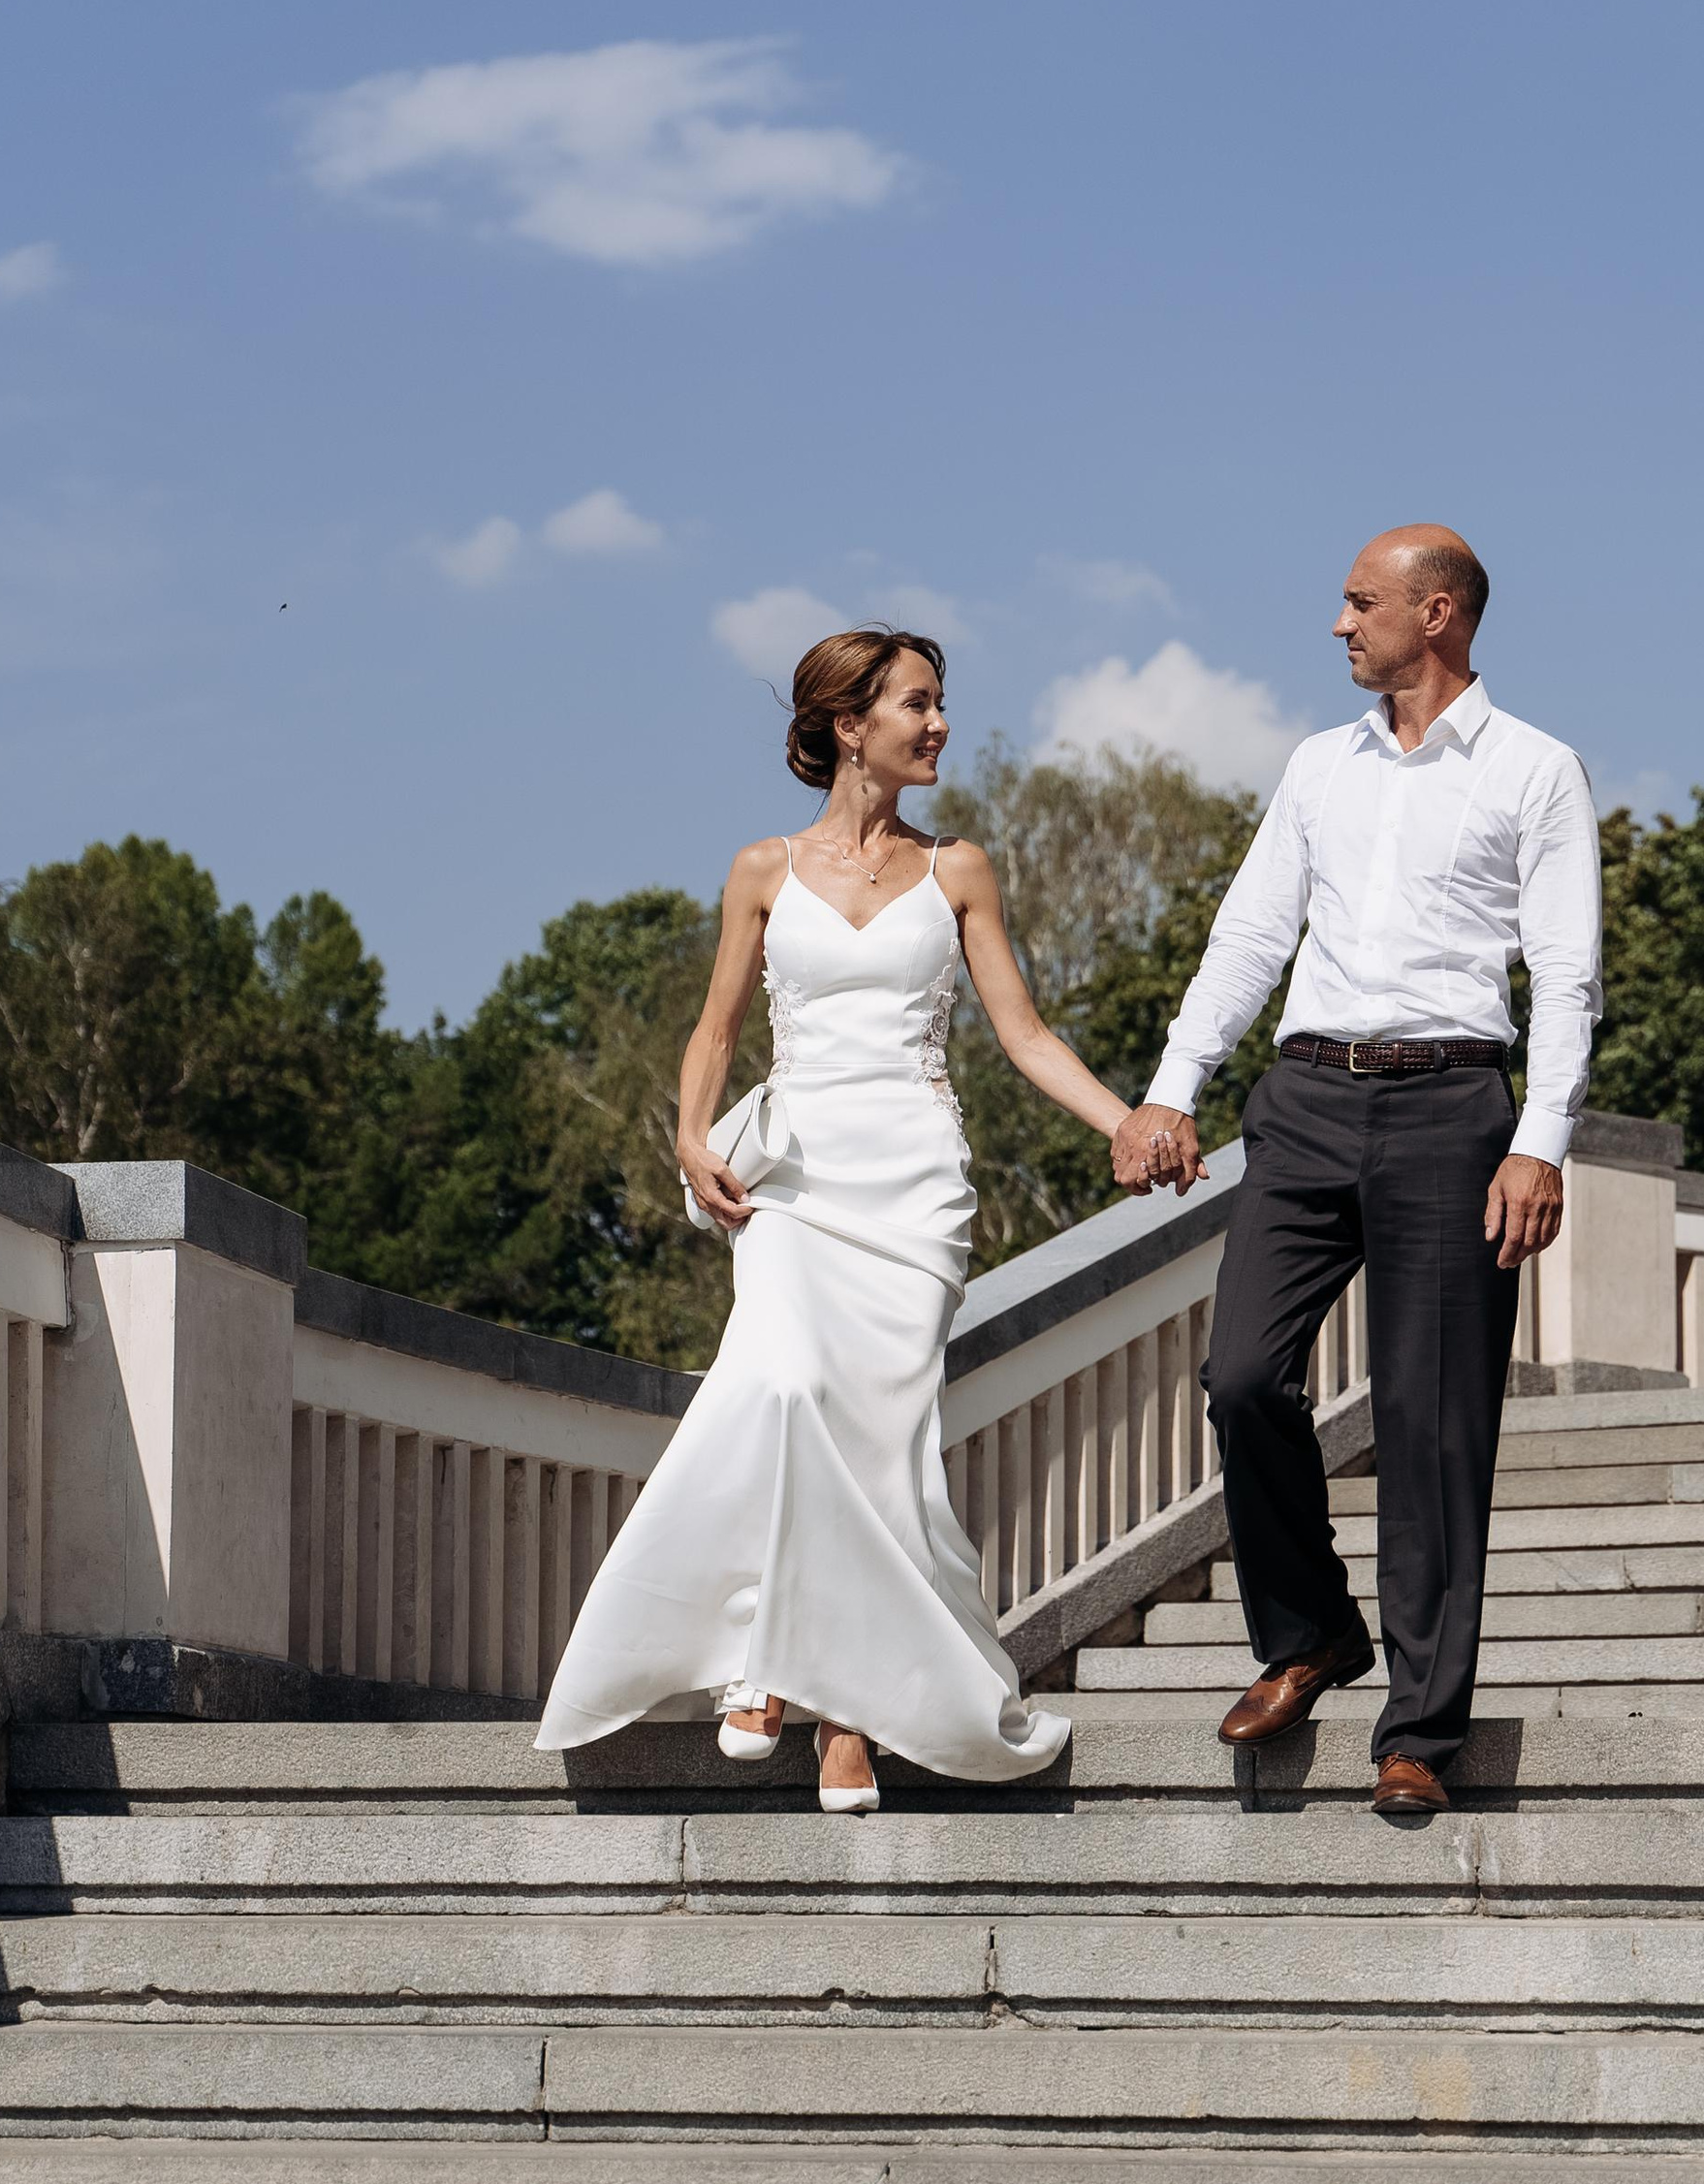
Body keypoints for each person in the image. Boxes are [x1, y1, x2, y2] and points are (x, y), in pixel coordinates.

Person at [535, 625, 1141, 1811]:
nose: (939, 724)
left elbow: (1020, 1034)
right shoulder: (760, 869)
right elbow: (714, 1030)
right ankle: (760, 1656)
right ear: (847, 724)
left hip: (912, 1189)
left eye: (941, 702)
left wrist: (1123, 1123)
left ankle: (846, 1716)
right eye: (918, 703)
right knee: (777, 1390)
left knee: (881, 1448)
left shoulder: (958, 869)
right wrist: (690, 1135)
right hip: (793, 1183)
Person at [1111, 526, 1601, 1823]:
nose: (1339, 624)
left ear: (1437, 615)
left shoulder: (1536, 771)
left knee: (1435, 1426)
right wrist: (1173, 1087)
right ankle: (1312, 1629)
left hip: (1453, 1108)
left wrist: (1541, 1135)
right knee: (1240, 1375)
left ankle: (1419, 1735)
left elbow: (1564, 972)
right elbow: (1251, 935)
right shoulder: (1318, 768)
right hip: (1309, 1100)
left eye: (1359, 602)